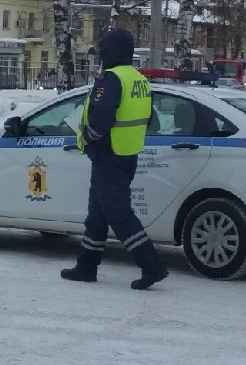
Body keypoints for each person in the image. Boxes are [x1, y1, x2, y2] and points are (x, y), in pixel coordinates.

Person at [60, 27, 168, 290]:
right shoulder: (139, 79)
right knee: (97, 214)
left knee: (119, 215)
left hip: (108, 155)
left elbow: (102, 117)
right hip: (127, 154)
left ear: (110, 51)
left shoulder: (111, 78)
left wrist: (87, 137)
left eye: (103, 49)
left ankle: (152, 266)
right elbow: (149, 118)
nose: (101, 54)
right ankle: (86, 266)